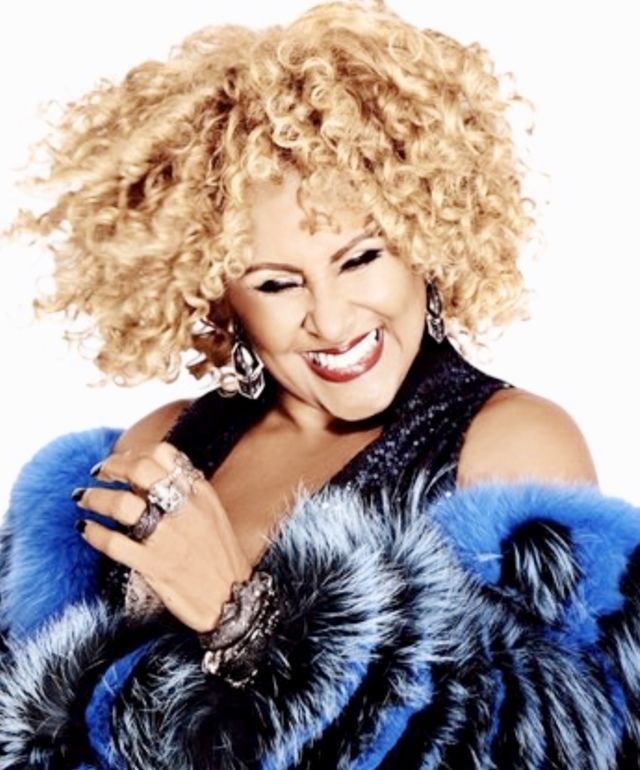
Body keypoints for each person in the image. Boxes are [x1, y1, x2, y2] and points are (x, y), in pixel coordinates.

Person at [1, 1, 639, 768]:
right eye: (277, 283)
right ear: (219, 296)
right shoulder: (163, 446)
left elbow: (552, 742)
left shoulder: (507, 449)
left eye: (361, 259)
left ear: (427, 240)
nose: (331, 320)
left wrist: (240, 617)